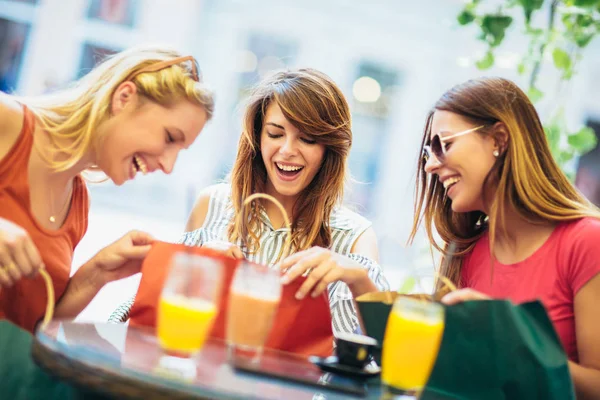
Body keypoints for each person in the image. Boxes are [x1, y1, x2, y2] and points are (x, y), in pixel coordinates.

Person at [0, 45, 214, 333]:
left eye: (181, 150)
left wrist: (97, 273)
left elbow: (34, 329)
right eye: (169, 138)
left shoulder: (77, 202)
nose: (168, 165)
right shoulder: (9, 123)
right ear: (124, 98)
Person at [409, 77, 600, 398]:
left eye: (445, 144)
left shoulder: (586, 242)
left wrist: (517, 340)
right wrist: (361, 286)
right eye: (429, 151)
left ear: (499, 138)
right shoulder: (464, 250)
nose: (430, 165)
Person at [180, 68, 390, 337]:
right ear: (257, 137)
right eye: (275, 134)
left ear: (329, 149)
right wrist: (198, 266)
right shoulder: (212, 204)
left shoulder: (354, 235)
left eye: (307, 138)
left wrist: (358, 277)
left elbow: (383, 342)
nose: (288, 150)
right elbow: (163, 306)